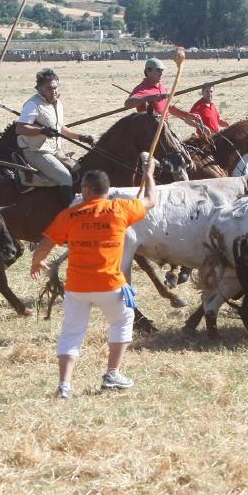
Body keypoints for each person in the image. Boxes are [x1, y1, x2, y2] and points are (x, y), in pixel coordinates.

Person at [30, 164, 158, 399]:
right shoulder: (120, 209)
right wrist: (148, 175)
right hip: (110, 285)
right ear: (106, 191)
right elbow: (150, 200)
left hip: (77, 288)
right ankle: (112, 374)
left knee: (71, 333)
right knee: (122, 321)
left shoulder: (69, 215)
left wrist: (36, 263)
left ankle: (64, 385)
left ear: (87, 191)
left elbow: (45, 244)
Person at [16, 68, 95, 207]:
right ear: (39, 88)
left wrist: (80, 137)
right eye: (49, 88)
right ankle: (68, 213)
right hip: (36, 152)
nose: (53, 91)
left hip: (55, 150)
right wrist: (41, 130)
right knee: (65, 177)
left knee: (77, 169)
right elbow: (20, 128)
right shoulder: (32, 105)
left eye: (55, 88)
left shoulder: (57, 103)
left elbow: (59, 128)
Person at [124, 58, 208, 135]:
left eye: (161, 70)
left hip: (164, 128)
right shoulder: (142, 89)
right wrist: (150, 97)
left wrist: (187, 115)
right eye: (158, 70)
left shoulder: (161, 87)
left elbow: (168, 107)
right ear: (148, 71)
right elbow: (128, 104)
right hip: (149, 132)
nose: (161, 73)